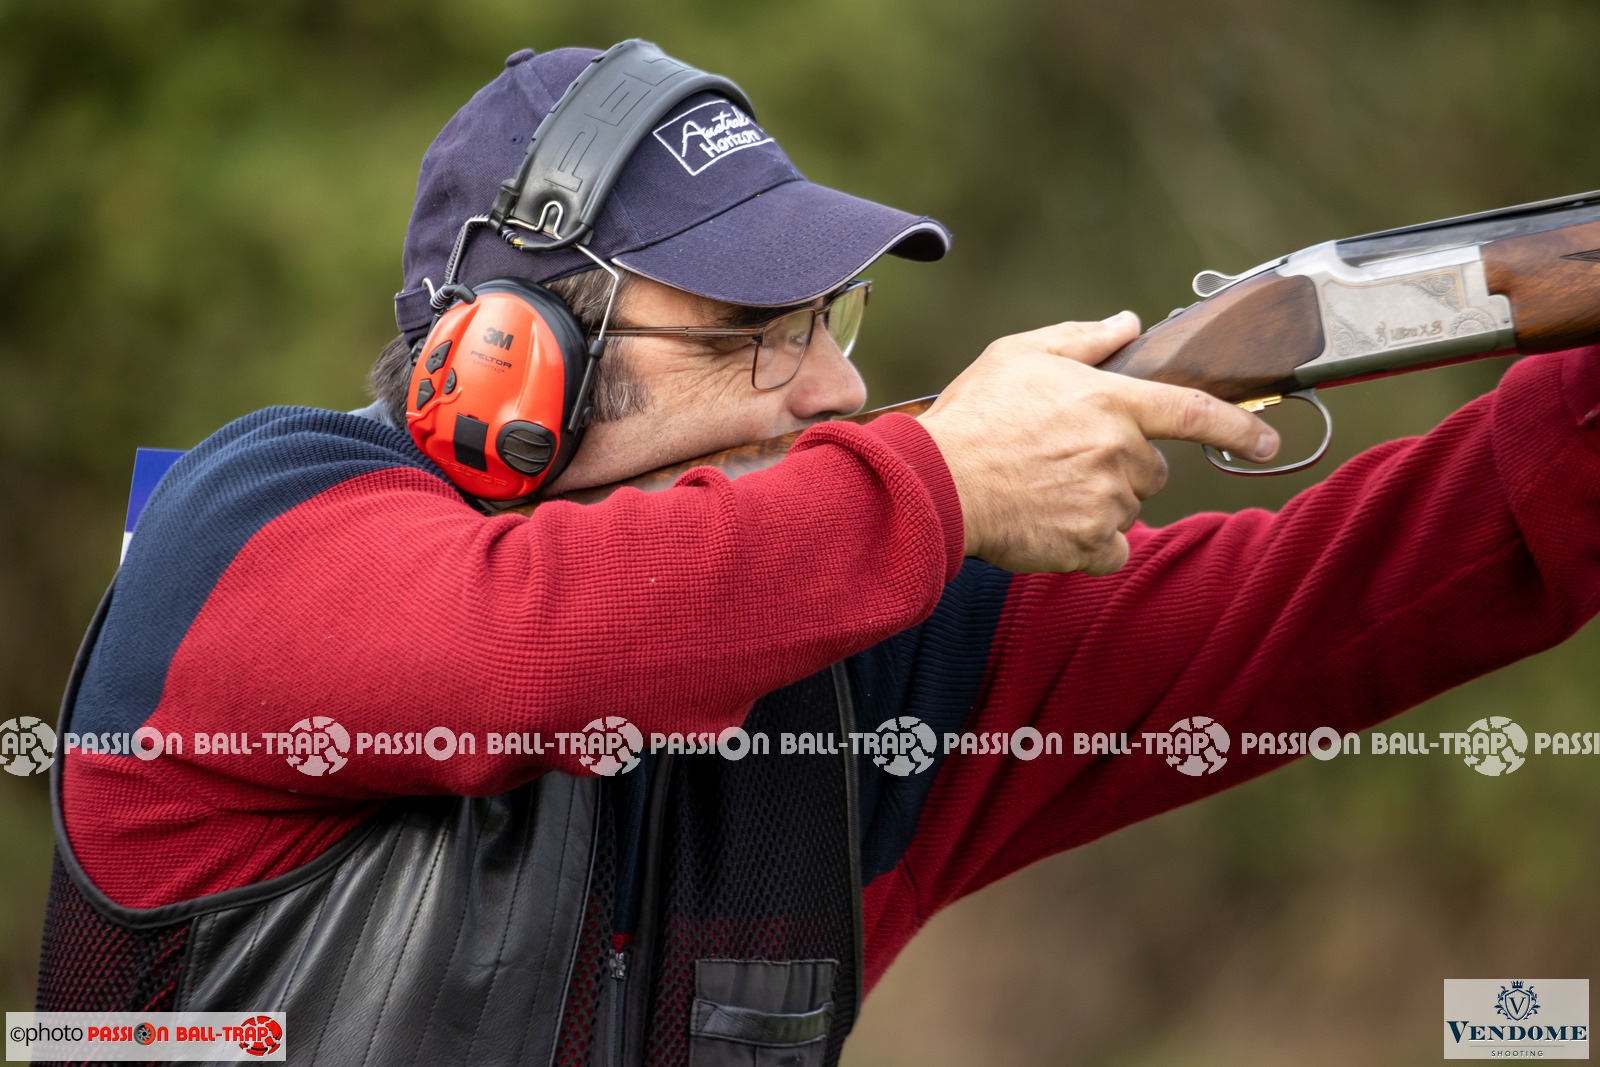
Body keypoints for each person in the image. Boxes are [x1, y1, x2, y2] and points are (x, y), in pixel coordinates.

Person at [35, 41, 1600, 1067]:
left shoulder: (860, 672)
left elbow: (1362, 595)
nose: (839, 388)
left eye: (830, 320)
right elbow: (515, 651)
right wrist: (944, 477)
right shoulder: (251, 532)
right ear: (514, 361)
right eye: (756, 331)